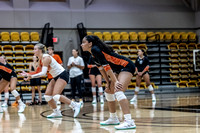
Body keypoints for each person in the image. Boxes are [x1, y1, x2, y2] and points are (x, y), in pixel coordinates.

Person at [81, 35, 136, 130]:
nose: (81, 44)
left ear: (90, 44)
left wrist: (115, 81)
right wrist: (107, 82)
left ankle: (129, 121)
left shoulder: (95, 50)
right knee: (108, 91)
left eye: (83, 42)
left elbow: (107, 67)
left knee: (118, 90)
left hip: (126, 66)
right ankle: (113, 118)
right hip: (117, 69)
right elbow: (102, 70)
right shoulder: (93, 56)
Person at [20, 43, 81, 118]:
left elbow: (43, 73)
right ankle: (56, 112)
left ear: (40, 50)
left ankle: (75, 105)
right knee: (47, 96)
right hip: (55, 77)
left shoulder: (46, 58)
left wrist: (31, 76)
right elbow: (38, 71)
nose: (33, 51)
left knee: (56, 96)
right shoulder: (40, 59)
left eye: (35, 49)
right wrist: (28, 74)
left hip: (62, 74)